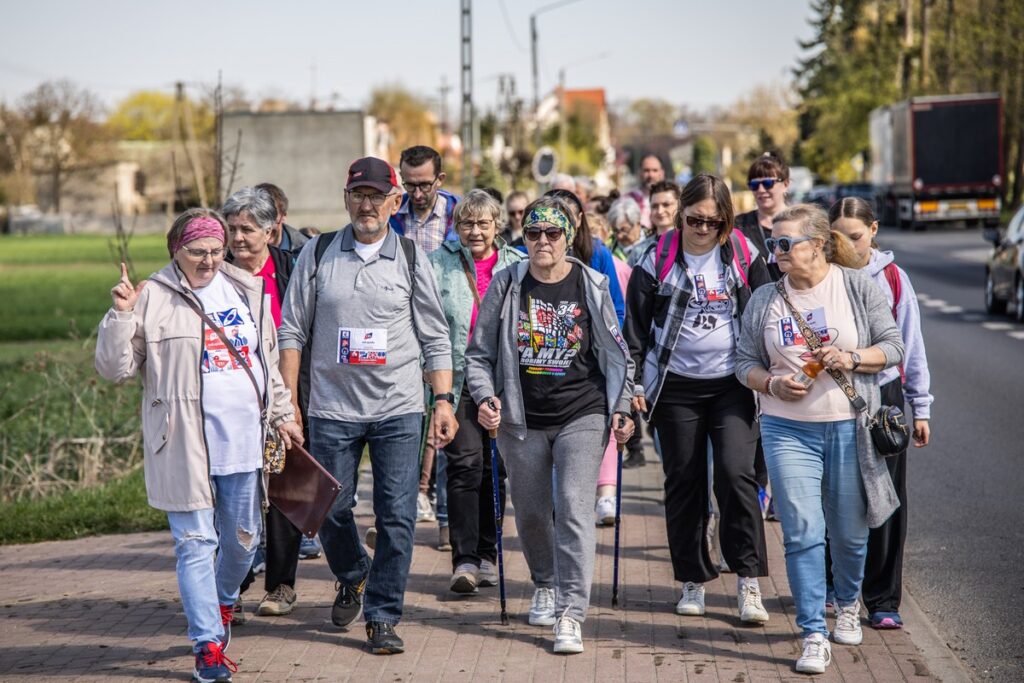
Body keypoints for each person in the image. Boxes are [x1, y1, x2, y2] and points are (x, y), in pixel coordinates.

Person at [95, 208, 302, 683]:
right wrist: (120, 315)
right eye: (197, 252)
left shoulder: (246, 287)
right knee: (195, 543)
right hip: (183, 443)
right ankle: (207, 645)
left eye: (215, 250)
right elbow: (115, 368)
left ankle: (223, 602)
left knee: (243, 544)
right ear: (176, 250)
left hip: (244, 442)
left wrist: (284, 415)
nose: (208, 260)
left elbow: (265, 362)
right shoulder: (153, 297)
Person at [277, 157, 458, 655]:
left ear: (393, 201)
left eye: (377, 195)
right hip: (331, 408)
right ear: (346, 198)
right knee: (326, 511)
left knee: (396, 515)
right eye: (359, 195)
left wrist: (443, 399)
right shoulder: (317, 255)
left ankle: (382, 615)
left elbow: (435, 335)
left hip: (398, 407)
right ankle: (354, 572)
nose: (367, 204)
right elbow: (291, 331)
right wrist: (290, 403)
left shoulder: (409, 256)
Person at [734, 203, 905, 674]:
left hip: (849, 426)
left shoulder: (857, 287)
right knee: (802, 531)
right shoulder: (764, 299)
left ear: (820, 245)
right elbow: (742, 362)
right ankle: (812, 631)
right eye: (774, 243)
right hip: (785, 428)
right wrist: (770, 384)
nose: (777, 251)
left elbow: (894, 346)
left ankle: (848, 602)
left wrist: (850, 358)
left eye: (787, 243)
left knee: (849, 532)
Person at [466, 195, 635, 655]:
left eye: (552, 233)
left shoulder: (592, 282)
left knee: (573, 504)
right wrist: (485, 397)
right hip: (521, 419)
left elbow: (617, 353)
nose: (542, 241)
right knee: (533, 510)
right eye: (533, 233)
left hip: (583, 411)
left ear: (567, 236)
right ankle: (544, 582)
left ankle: (571, 613)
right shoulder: (506, 284)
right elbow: (478, 356)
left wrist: (622, 406)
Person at [623, 173, 774, 623]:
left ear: (726, 222)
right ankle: (693, 579)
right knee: (685, 481)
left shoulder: (745, 255)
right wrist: (633, 384)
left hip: (733, 383)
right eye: (695, 220)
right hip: (676, 385)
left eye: (714, 222)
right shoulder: (656, 258)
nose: (703, 229)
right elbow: (635, 328)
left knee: (734, 475)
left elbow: (767, 312)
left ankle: (748, 581)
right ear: (680, 215)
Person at [829, 197, 932, 630]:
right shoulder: (823, 275)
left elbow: (911, 342)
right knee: (835, 492)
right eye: (839, 237)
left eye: (856, 237)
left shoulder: (892, 277)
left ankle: (883, 598)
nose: (848, 247)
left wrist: (920, 404)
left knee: (886, 496)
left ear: (873, 230)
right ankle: (837, 587)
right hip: (832, 391)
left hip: (882, 394)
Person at [222, 186, 321, 618]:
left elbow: (306, 330)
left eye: (247, 228)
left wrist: (295, 399)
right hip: (234, 398)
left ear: (270, 230)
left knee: (285, 487)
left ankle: (280, 586)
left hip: (290, 392)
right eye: (232, 228)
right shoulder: (215, 274)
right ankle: (233, 588)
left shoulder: (292, 269)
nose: (238, 237)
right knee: (235, 494)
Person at [428, 189, 524, 593]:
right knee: (464, 464)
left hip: (504, 380)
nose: (476, 231)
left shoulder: (516, 265)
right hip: (458, 377)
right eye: (467, 223)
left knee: (495, 469)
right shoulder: (439, 264)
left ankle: (489, 554)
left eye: (484, 223)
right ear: (457, 226)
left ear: (496, 226)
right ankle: (464, 560)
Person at [390, 145, 459, 254]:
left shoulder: (461, 215)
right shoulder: (390, 215)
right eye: (410, 185)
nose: (417, 194)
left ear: (440, 179)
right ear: (402, 177)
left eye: (425, 185)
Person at [735, 152, 791, 281]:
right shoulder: (738, 226)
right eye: (754, 185)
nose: (760, 190)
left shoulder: (801, 223)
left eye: (767, 183)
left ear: (786, 184)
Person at [627, 180, 680, 268]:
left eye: (666, 205)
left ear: (680, 206)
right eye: (655, 206)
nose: (660, 211)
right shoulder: (639, 251)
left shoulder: (690, 245)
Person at [256, 182, 309, 256]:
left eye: (271, 217)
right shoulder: (238, 251)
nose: (265, 226)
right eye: (259, 217)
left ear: (283, 216)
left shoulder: (306, 250)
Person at [627, 153, 667, 229]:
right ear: (640, 172)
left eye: (655, 170)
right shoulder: (629, 199)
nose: (651, 175)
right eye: (646, 170)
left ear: (662, 172)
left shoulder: (673, 199)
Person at [606, 197, 644, 263]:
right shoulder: (608, 248)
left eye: (624, 230)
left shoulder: (653, 244)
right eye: (615, 230)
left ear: (638, 224)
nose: (619, 236)